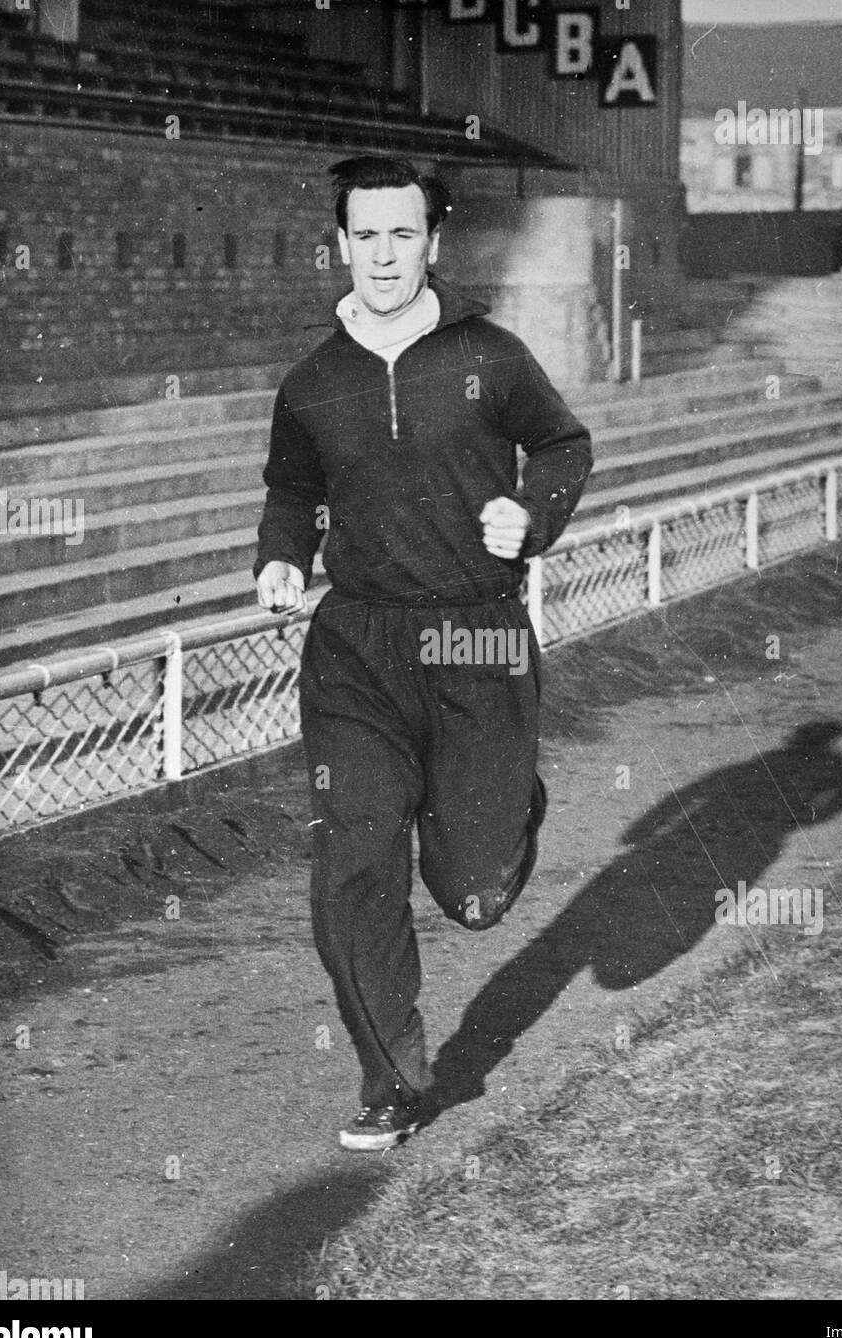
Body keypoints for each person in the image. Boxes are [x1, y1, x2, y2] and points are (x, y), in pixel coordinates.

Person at [253, 155, 593, 1151]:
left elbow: (565, 447)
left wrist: (528, 516)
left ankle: (505, 808)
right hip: (357, 645)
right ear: (343, 243)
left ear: (432, 242)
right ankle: (392, 1077)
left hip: (476, 633)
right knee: (353, 860)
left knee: (475, 893)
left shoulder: (488, 354)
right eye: (367, 236)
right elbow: (288, 491)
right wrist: (279, 560)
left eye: (404, 235)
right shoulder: (312, 383)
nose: (385, 255)